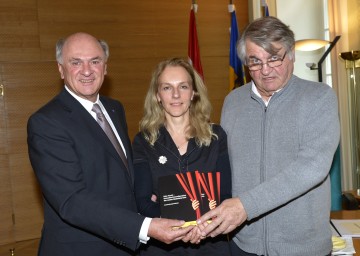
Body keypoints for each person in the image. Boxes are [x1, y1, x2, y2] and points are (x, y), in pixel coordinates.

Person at [27, 32, 192, 256]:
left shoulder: (114, 109)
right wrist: (144, 226)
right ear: (60, 69)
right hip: (81, 248)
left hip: (123, 245)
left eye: (95, 61)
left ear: (105, 67)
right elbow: (71, 200)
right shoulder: (47, 122)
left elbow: (121, 175)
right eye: (76, 62)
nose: (87, 70)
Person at [195, 16, 340, 256]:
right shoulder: (233, 101)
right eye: (255, 61)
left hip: (303, 248)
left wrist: (246, 206)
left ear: (291, 54)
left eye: (274, 58)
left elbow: (312, 167)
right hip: (243, 245)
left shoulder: (319, 98)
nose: (265, 70)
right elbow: (221, 162)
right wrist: (177, 191)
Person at [132, 57, 232, 255]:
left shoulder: (216, 136)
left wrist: (200, 227)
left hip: (211, 243)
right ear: (157, 95)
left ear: (193, 92)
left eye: (183, 86)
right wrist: (182, 228)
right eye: (167, 88)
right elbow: (143, 201)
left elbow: (224, 195)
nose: (176, 95)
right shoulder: (143, 141)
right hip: (162, 247)